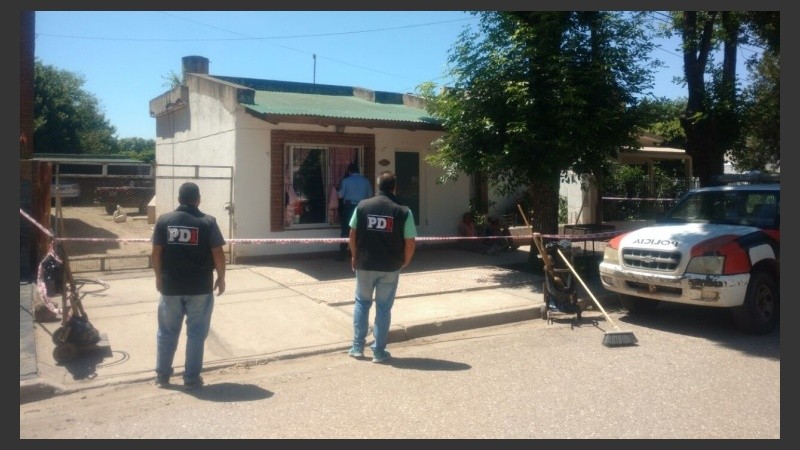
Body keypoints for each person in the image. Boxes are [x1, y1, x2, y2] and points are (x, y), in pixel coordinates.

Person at [151, 182, 226, 390]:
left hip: (170, 287)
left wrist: (158, 277)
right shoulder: (208, 222)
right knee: (196, 334)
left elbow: (156, 253)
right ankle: (191, 379)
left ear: (179, 199)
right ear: (198, 199)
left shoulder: (164, 221)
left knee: (166, 332)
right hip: (200, 288)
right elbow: (218, 253)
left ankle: (162, 377)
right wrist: (221, 277)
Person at [347, 171, 416, 363]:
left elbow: (352, 234)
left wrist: (354, 255)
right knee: (384, 308)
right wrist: (406, 261)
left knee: (362, 303)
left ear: (378, 186)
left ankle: (357, 347)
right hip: (390, 266)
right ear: (395, 187)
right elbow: (410, 242)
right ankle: (379, 351)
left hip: (365, 264)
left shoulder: (362, 206)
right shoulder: (403, 211)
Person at [336, 163, 372, 261]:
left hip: (349, 207)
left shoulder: (346, 181)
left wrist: (335, 189)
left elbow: (340, 196)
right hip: (363, 207)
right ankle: (362, 255)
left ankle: (342, 255)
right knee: (362, 231)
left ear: (349, 171)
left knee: (345, 231)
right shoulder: (366, 181)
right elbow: (370, 196)